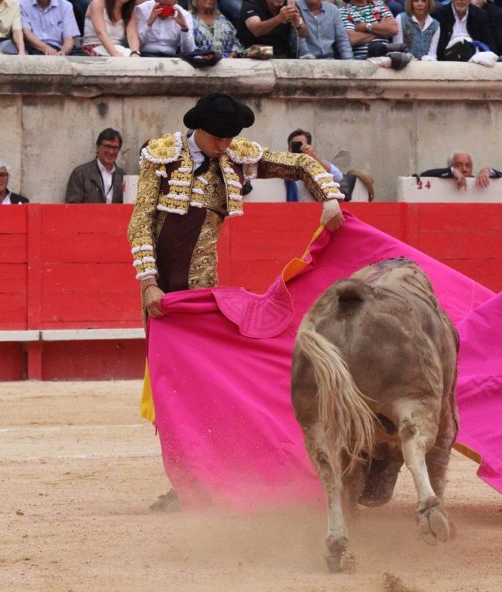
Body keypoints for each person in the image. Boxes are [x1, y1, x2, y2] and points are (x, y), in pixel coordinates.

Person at [130, 94, 344, 510]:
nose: (225, 145)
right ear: (200, 130)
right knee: (168, 390)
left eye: (231, 139)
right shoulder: (161, 156)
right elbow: (140, 224)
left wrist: (329, 196)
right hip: (163, 295)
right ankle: (186, 481)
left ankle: (203, 479)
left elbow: (298, 164)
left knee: (200, 388)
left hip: (200, 294)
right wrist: (148, 284)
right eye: (219, 138)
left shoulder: (234, 156)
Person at [65, 128, 125, 204]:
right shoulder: (80, 174)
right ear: (97, 147)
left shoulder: (123, 176)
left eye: (115, 148)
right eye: (107, 146)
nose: (111, 151)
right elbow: (72, 207)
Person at [284, 128, 344, 200]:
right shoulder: (283, 168)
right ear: (289, 149)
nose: (298, 149)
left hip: (316, 209)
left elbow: (338, 177)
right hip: (293, 209)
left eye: (301, 145)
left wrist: (315, 157)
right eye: (294, 146)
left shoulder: (317, 165)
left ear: (310, 146)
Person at [236, 0, 306, 58]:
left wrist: (298, 25)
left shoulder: (288, 4)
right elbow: (256, 30)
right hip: (251, 53)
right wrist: (279, 18)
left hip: (280, 54)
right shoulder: (252, 2)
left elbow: (303, 33)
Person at [420, 151, 502, 190]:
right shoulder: (444, 179)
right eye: (458, 165)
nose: (464, 169)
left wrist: (488, 171)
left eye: (468, 165)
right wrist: (452, 171)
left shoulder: (478, 181)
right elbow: (423, 175)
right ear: (451, 166)